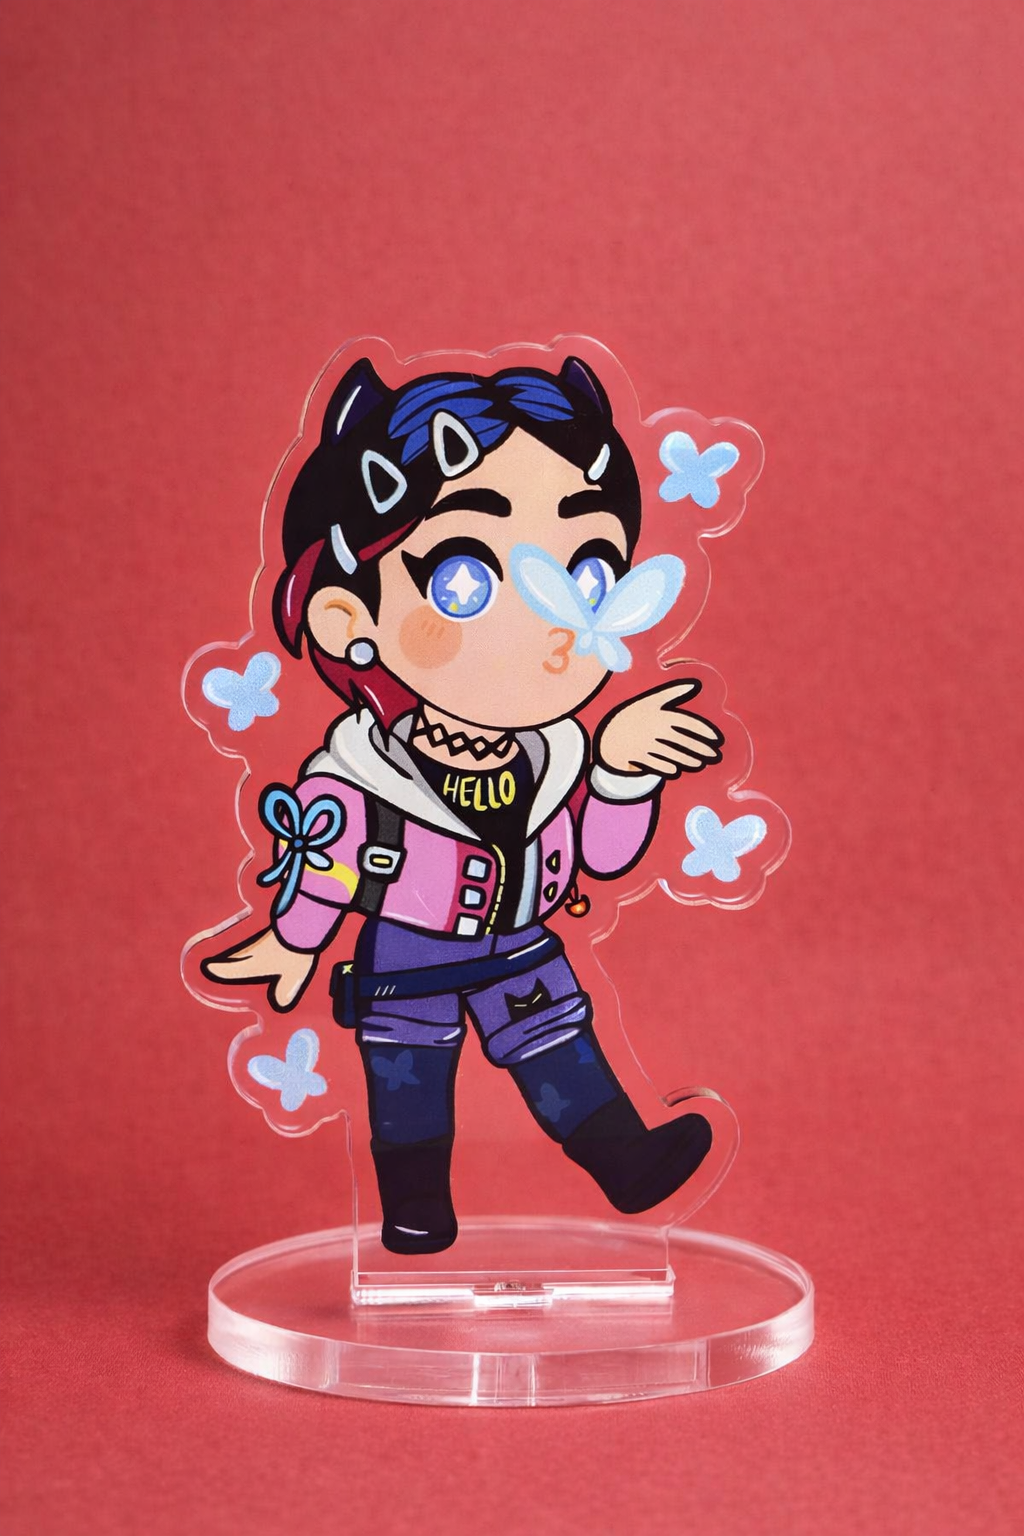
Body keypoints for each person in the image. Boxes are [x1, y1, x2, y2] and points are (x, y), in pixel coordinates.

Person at [203, 355, 725, 1254]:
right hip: (405, 958)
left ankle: (626, 1163)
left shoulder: (555, 758)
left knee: (561, 1049)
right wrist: (293, 941)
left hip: (521, 948)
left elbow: (601, 853)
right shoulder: (362, 777)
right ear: (347, 619)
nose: (543, 621)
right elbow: (328, 861)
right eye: (466, 580)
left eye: (586, 573)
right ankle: (414, 1207)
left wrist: (621, 773)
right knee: (407, 1082)